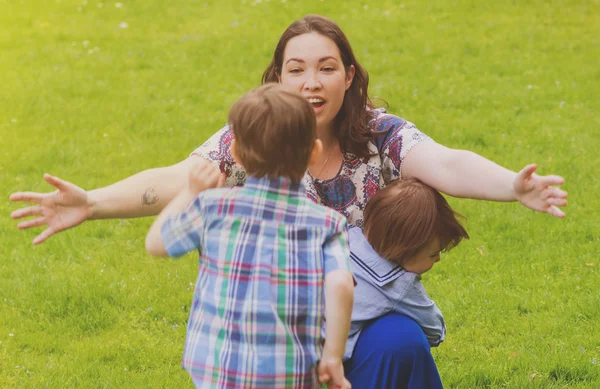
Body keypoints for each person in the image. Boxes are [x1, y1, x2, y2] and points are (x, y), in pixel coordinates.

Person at [10, 14, 567, 388]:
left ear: (349, 76)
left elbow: (445, 163)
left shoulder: (380, 134)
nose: (311, 81)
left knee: (400, 339)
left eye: (327, 67)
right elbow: (181, 178)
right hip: (271, 344)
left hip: (357, 329)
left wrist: (512, 188)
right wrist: (91, 202)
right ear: (278, 78)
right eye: (296, 69)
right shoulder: (255, 142)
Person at [146, 84, 354, 389]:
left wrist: (190, 193)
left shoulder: (213, 207)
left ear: (236, 154)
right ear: (314, 152)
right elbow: (340, 285)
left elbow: (156, 244)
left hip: (219, 370)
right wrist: (333, 356)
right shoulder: (327, 224)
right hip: (289, 374)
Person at [340, 178, 469, 388]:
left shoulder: (347, 237)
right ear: (404, 252)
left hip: (294, 340)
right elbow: (433, 329)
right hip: (331, 359)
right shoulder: (398, 283)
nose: (438, 260)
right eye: (433, 254)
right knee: (405, 336)